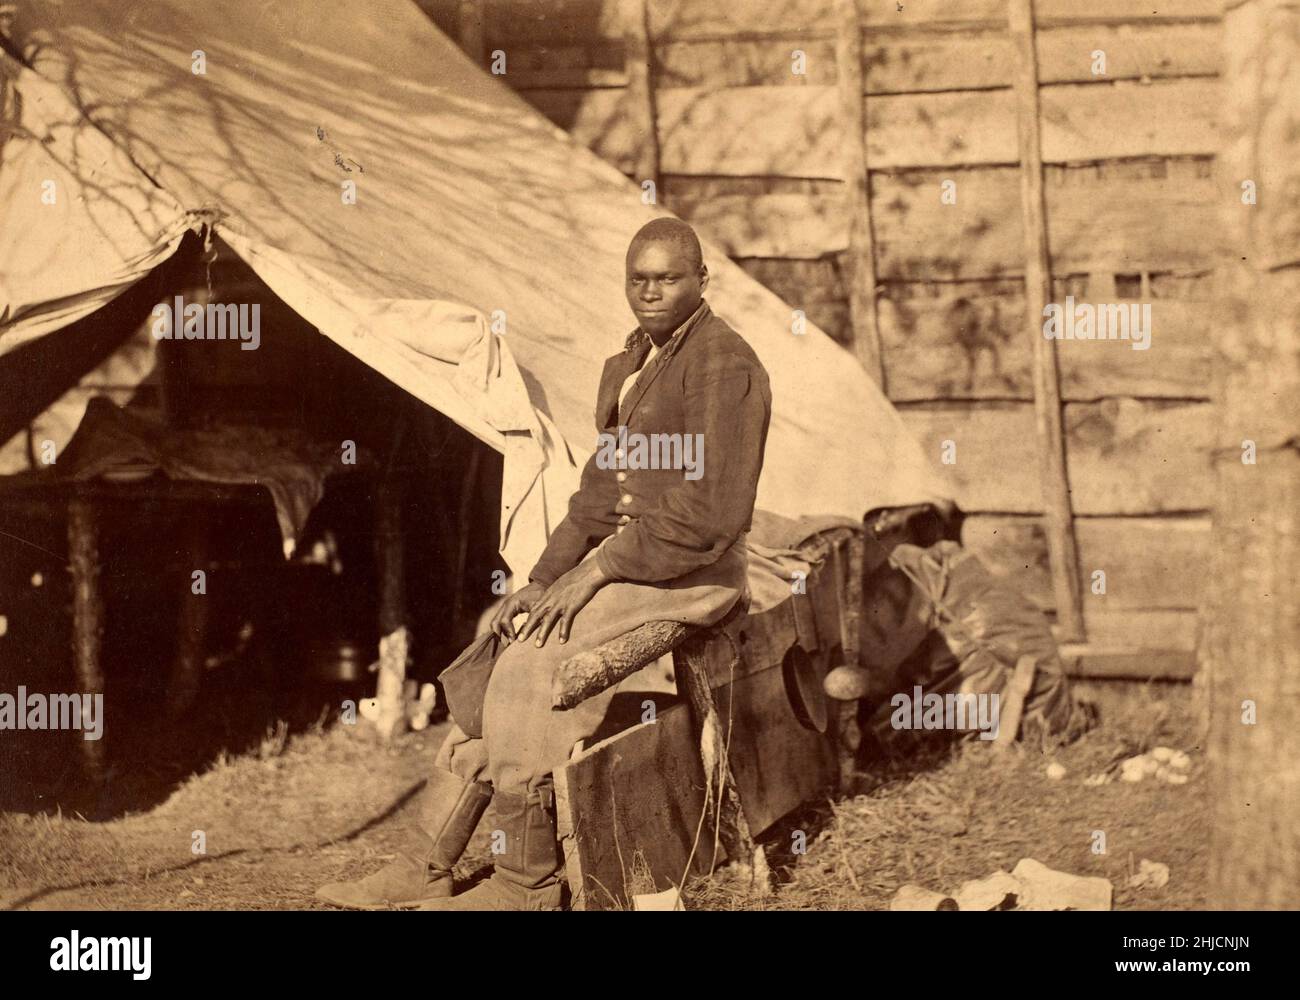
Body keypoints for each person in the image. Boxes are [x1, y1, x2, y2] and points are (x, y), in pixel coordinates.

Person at [316, 217, 772, 910]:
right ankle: (425, 864)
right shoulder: (634, 362)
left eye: (668, 278)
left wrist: (594, 573)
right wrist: (539, 579)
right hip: (632, 561)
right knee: (497, 646)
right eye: (637, 279)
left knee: (536, 670)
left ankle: (523, 884)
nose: (650, 292)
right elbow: (595, 498)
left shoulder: (722, 363)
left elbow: (712, 514)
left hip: (693, 573)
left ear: (702, 281)